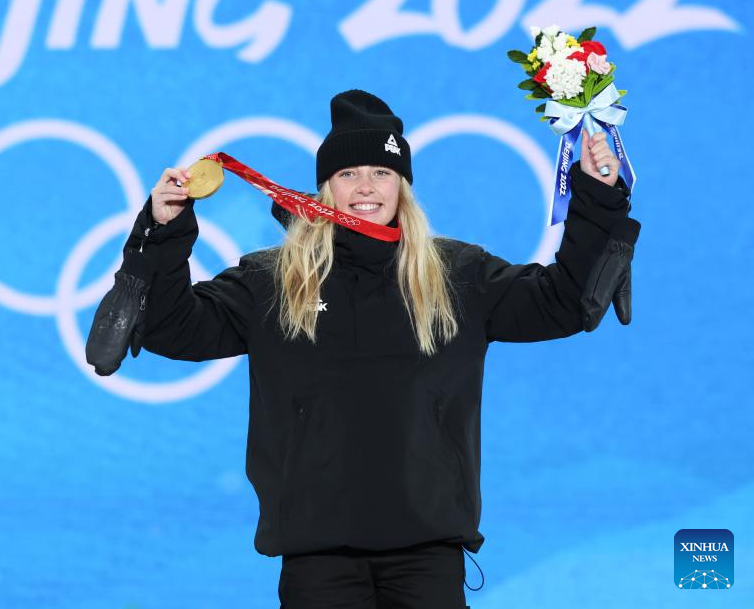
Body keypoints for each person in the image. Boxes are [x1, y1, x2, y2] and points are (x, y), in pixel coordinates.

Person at [118, 90, 636, 608]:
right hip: (317, 557)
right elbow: (172, 328)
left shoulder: (457, 275)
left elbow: (562, 303)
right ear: (325, 187)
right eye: (348, 173)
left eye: (382, 172)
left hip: (428, 554)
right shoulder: (272, 281)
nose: (366, 187)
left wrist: (596, 195)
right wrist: (166, 230)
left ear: (402, 185)